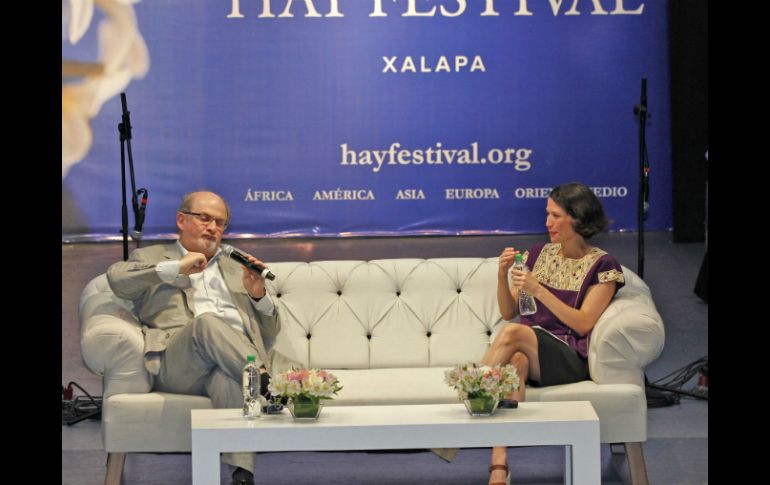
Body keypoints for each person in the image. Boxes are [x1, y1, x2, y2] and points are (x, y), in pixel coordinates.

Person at [106, 190, 296, 485]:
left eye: (220, 223)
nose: (213, 228)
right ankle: (268, 385)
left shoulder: (236, 264)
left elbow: (269, 334)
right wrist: (174, 269)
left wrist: (258, 296)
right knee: (208, 322)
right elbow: (118, 280)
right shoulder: (153, 257)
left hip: (235, 360)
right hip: (179, 362)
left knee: (231, 378)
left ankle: (242, 476)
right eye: (205, 219)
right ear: (182, 220)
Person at [483, 182, 625, 485]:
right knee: (516, 361)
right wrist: (501, 274)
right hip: (533, 353)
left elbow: (584, 323)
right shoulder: (538, 254)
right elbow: (510, 310)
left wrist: (540, 290)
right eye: (547, 214)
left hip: (568, 356)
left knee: (513, 335)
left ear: (578, 218)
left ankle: (463, 405)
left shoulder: (603, 266)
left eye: (556, 216)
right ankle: (499, 465)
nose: (547, 223)